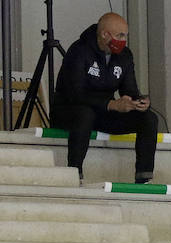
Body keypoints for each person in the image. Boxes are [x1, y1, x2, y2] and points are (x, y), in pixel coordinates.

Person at [51, 12, 157, 183]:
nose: (123, 40)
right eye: (120, 35)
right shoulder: (79, 50)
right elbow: (75, 93)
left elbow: (129, 89)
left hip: (103, 112)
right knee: (85, 114)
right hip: (70, 111)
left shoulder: (125, 55)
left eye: (125, 36)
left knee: (148, 118)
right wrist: (111, 104)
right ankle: (74, 173)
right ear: (104, 34)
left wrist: (138, 102)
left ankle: (144, 177)